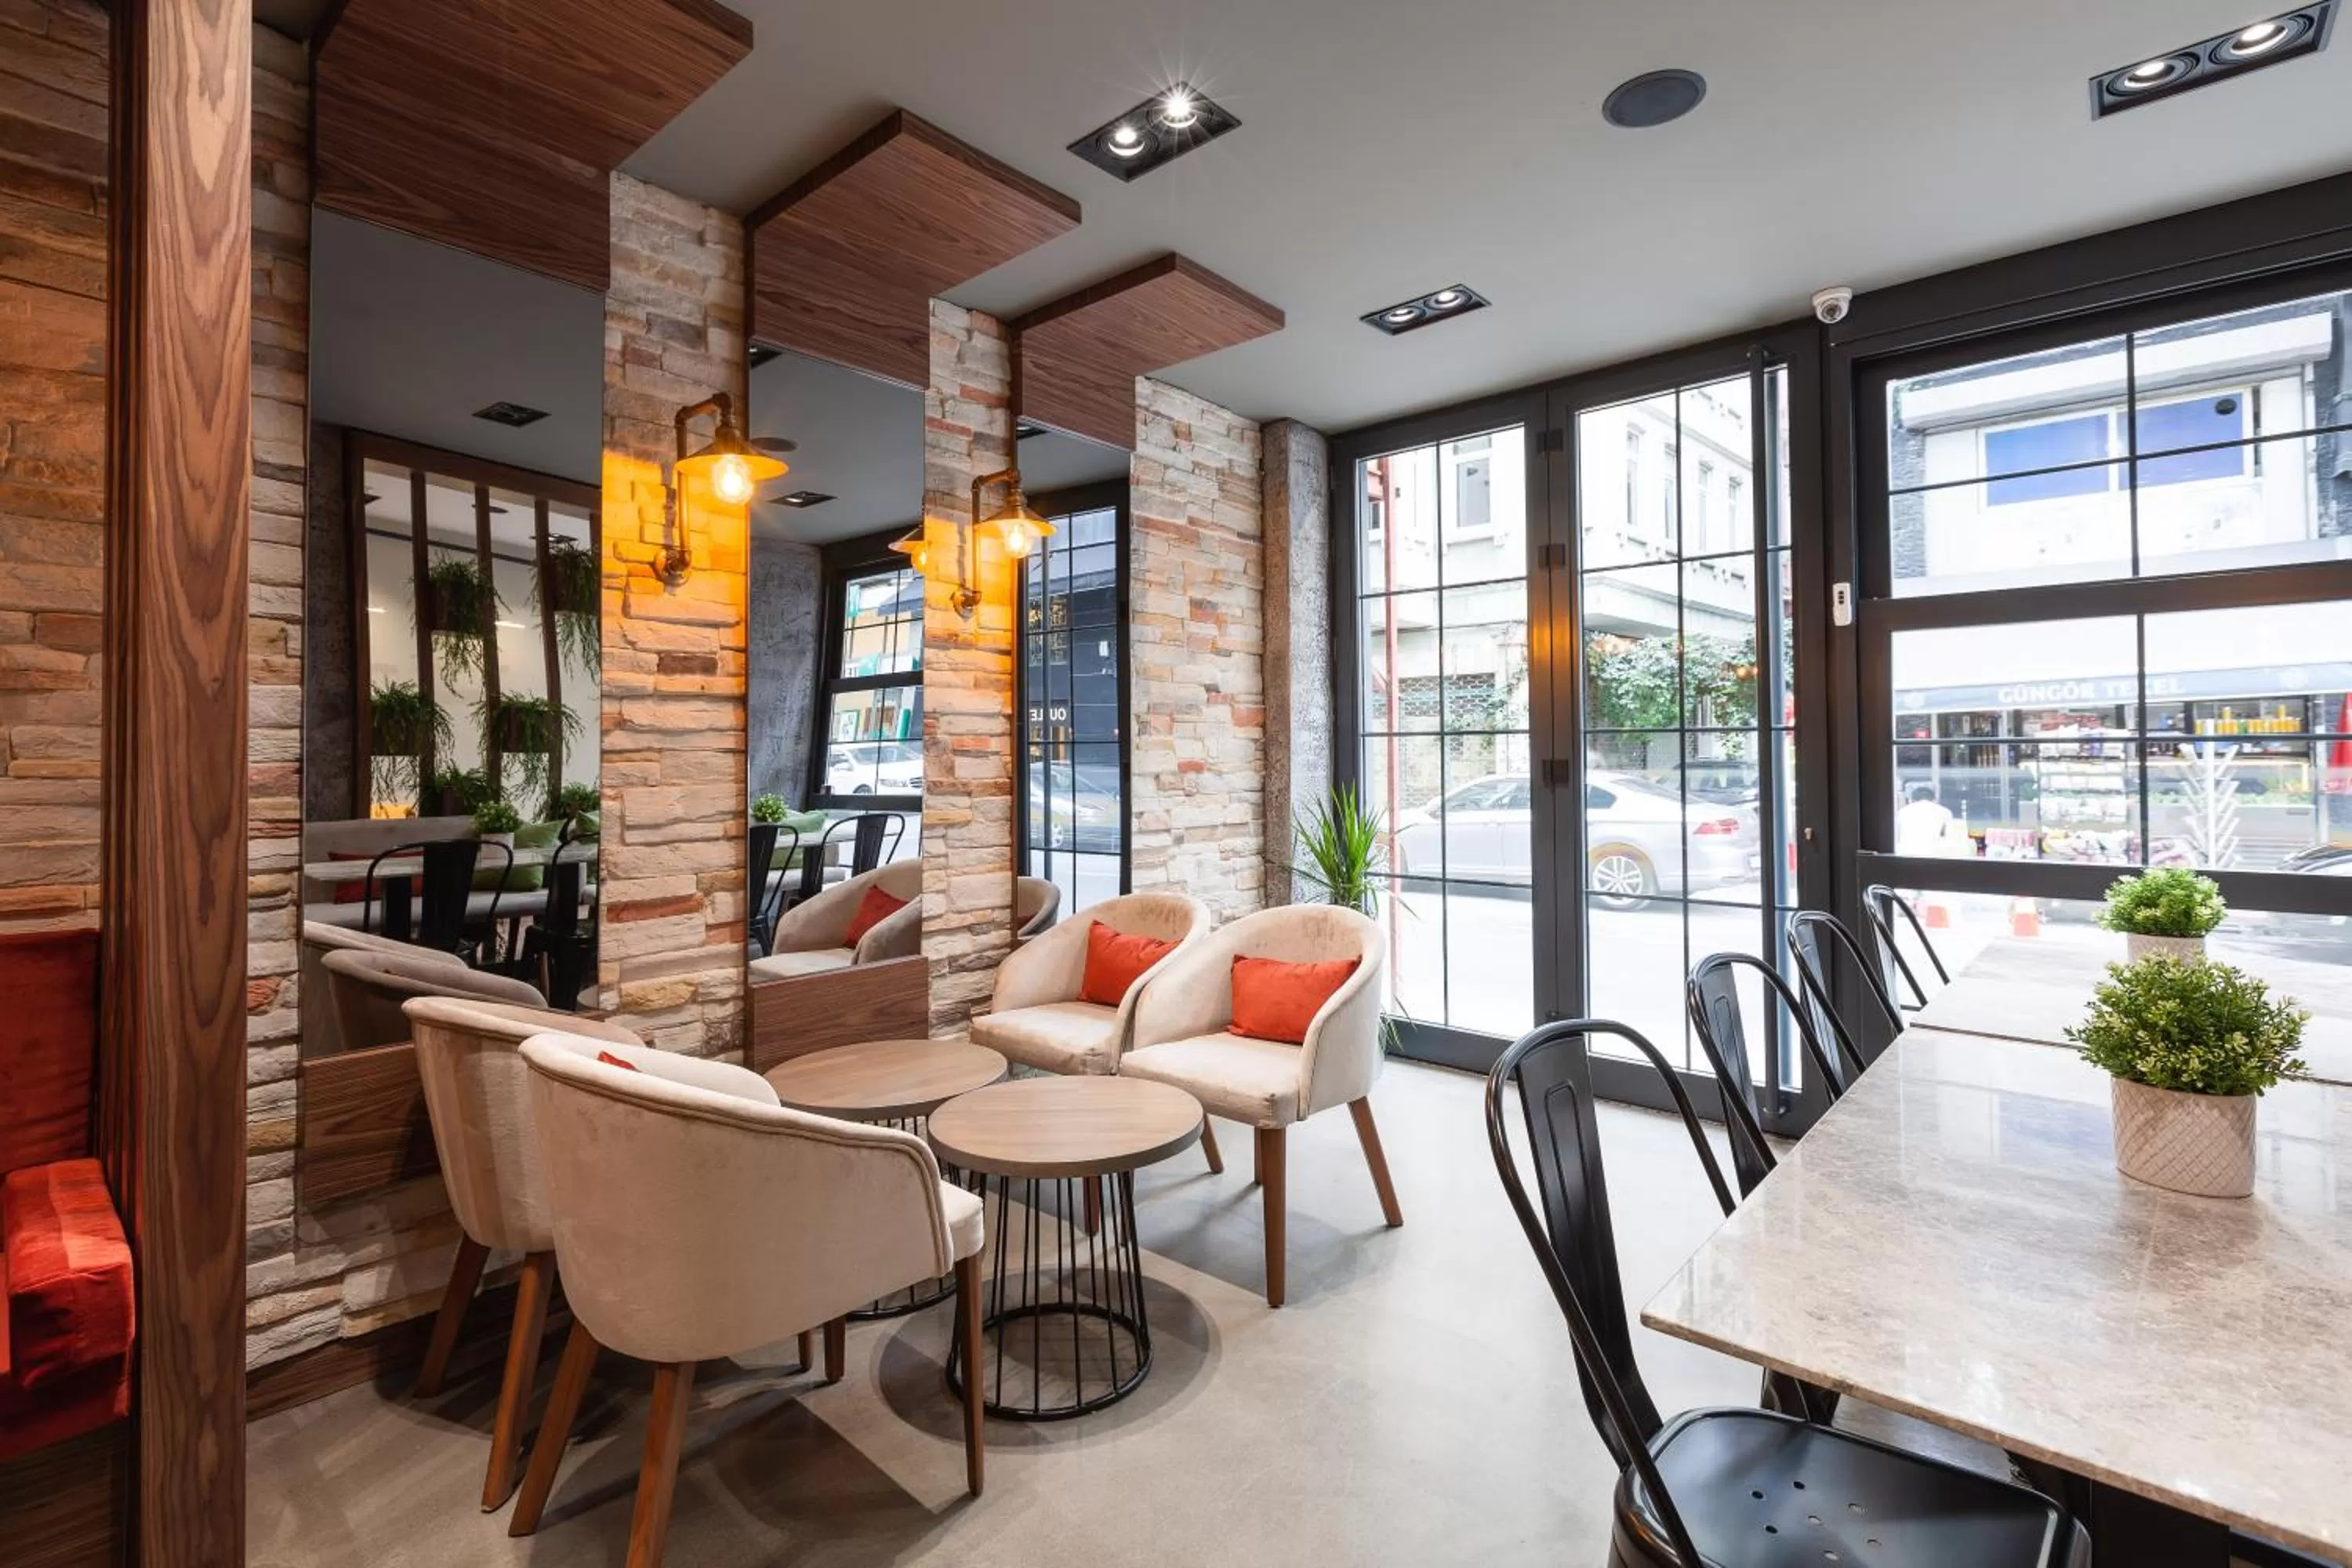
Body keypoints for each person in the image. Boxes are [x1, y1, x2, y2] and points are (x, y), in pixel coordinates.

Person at [1893, 782, 1957, 858]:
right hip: (1935, 856)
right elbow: (1951, 838)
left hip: (1904, 855)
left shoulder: (1902, 811)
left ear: (1912, 800)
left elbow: (1896, 836)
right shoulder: (1945, 812)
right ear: (1934, 799)